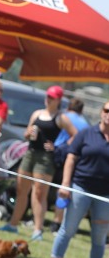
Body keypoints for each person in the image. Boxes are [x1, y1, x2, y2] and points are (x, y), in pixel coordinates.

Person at [42, 100, 109, 258]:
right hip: (80, 188)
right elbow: (71, 157)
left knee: (99, 238)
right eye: (106, 110)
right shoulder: (86, 133)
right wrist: (65, 184)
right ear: (101, 112)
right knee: (67, 229)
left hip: (105, 195)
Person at [0, 86, 80, 241]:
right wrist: (30, 133)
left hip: (45, 159)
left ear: (58, 100)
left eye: (52, 97)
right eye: (48, 95)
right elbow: (26, 134)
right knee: (21, 190)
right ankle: (13, 224)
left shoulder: (61, 117)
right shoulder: (37, 113)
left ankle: (37, 230)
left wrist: (58, 147)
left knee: (39, 194)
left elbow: (75, 135)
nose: (48, 98)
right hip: (29, 154)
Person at [50, 98, 90, 232]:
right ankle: (68, 224)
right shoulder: (86, 124)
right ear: (82, 111)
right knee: (71, 191)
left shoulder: (63, 117)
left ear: (67, 107)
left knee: (60, 190)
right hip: (78, 160)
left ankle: (56, 223)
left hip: (60, 158)